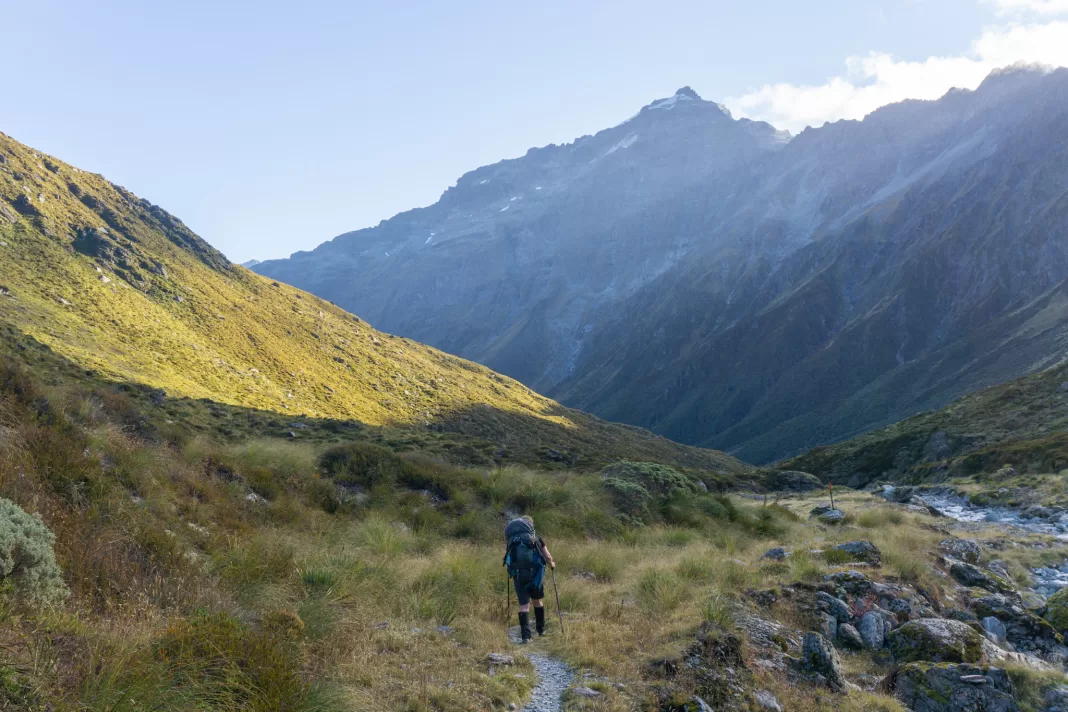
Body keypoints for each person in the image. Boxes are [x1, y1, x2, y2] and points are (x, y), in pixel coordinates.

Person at [503, 515, 555, 643]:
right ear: (530, 525)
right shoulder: (536, 538)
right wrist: (552, 564)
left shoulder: (512, 540)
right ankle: (541, 630)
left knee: (524, 606)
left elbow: (509, 558)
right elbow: (547, 556)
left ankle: (526, 637)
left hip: (519, 575)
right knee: (537, 601)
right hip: (535, 575)